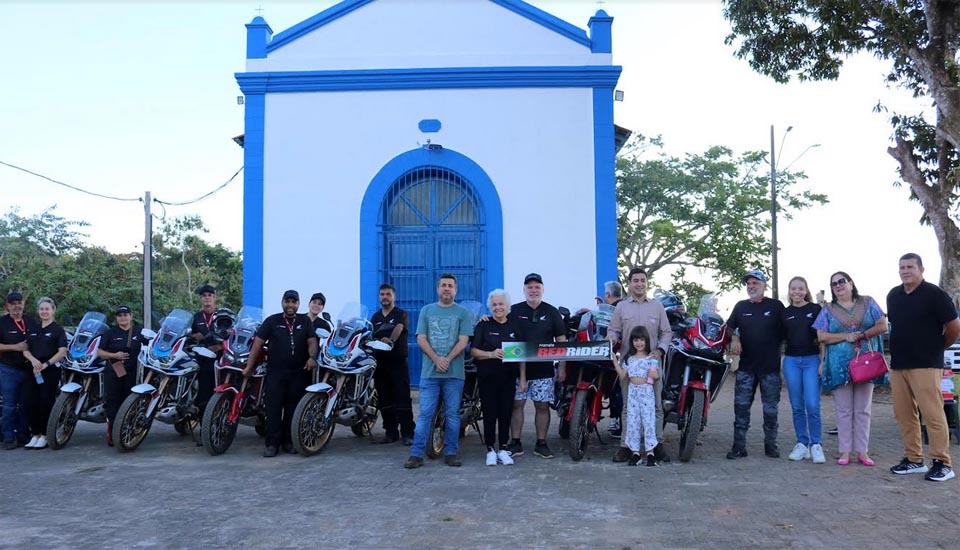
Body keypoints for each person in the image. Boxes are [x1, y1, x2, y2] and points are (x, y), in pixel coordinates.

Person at [887, 253, 960, 481]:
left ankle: (942, 463)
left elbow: (953, 326)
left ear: (921, 269)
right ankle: (914, 459)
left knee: (933, 414)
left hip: (926, 364)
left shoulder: (935, 294)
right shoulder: (893, 295)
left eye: (910, 267)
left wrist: (938, 347)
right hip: (899, 365)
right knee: (904, 414)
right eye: (902, 267)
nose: (905, 271)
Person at [813, 271, 886, 466]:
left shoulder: (868, 302)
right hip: (839, 365)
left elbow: (882, 325)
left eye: (842, 281)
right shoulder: (828, 309)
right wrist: (845, 337)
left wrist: (862, 335)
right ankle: (845, 451)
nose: (838, 285)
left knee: (863, 409)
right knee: (843, 409)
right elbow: (821, 336)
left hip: (866, 363)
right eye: (834, 283)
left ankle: (863, 451)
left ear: (851, 283)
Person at [404, 274, 473, 469]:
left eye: (450, 286)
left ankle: (451, 453)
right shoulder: (427, 310)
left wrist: (447, 360)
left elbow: (463, 341)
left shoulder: (462, 313)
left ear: (455, 290)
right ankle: (416, 455)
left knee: (452, 415)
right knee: (425, 414)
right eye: (443, 285)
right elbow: (421, 339)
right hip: (429, 374)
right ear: (437, 289)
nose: (446, 289)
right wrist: (437, 359)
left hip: (454, 374)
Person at [608, 267, 672, 463]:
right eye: (635, 280)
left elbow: (667, 333)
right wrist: (610, 341)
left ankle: (656, 445)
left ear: (647, 283)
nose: (639, 284)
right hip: (630, 364)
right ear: (630, 283)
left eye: (642, 280)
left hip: (652, 364)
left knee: (656, 406)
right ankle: (627, 447)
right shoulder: (621, 307)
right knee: (628, 407)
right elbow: (613, 330)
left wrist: (660, 350)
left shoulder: (657, 307)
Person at [244, 290, 318, 457]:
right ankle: (272, 445)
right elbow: (257, 343)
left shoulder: (304, 321)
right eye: (287, 301)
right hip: (275, 373)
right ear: (282, 302)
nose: (290, 305)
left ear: (298, 303)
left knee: (293, 409)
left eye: (294, 302)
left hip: (299, 373)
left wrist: (312, 357)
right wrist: (249, 366)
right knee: (273, 409)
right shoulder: (272, 321)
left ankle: (289, 442)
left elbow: (312, 341)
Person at [506, 273, 566, 460]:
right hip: (516, 370)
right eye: (530, 287)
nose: (533, 290)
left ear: (542, 289)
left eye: (537, 287)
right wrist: (485, 317)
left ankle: (541, 443)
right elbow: (498, 322)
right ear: (524, 290)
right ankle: (515, 442)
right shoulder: (513, 310)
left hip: (544, 370)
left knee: (542, 406)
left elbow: (561, 340)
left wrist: (562, 367)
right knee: (517, 405)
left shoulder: (552, 312)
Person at [726, 270, 785, 459]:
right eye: (749, 283)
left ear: (764, 286)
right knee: (741, 409)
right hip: (746, 368)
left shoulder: (776, 306)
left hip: (770, 369)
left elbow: (789, 329)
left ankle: (771, 445)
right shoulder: (741, 306)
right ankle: (739, 447)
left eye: (756, 283)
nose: (751, 286)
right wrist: (735, 337)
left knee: (770, 410)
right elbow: (728, 328)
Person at [470, 289, 522, 466]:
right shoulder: (483, 325)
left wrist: (522, 378)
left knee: (506, 413)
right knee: (490, 413)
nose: (498, 307)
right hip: (487, 378)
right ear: (490, 307)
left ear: (507, 306)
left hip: (508, 378)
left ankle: (504, 448)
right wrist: (491, 354)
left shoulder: (515, 326)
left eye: (501, 304)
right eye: (494, 305)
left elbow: (521, 354)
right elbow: (474, 351)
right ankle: (490, 449)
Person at [782, 276, 825, 463]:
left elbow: (823, 338)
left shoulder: (816, 310)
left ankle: (816, 444)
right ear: (789, 291)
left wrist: (823, 362)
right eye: (793, 289)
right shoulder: (784, 313)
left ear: (806, 290)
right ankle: (802, 443)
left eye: (800, 288)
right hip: (791, 361)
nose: (797, 292)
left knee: (812, 404)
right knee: (797, 405)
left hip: (812, 360)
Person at [370, 283, 415, 445]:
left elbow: (398, 328)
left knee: (402, 398)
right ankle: (390, 432)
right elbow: (369, 335)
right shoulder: (375, 317)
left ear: (394, 296)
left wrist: (390, 340)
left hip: (397, 361)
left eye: (388, 294)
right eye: (382, 294)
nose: (385, 297)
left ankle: (408, 433)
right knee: (385, 400)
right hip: (380, 364)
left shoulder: (401, 314)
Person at [21, 297, 68, 450]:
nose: (44, 311)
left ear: (53, 311)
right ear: (38, 311)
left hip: (50, 370)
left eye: (47, 309)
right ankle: (35, 434)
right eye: (42, 309)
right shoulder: (33, 329)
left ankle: (45, 435)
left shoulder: (58, 330)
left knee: (45, 403)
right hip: (33, 370)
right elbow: (25, 349)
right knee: (30, 402)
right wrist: (34, 361)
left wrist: (46, 364)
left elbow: (62, 352)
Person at [98, 305, 144, 447]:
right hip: (113, 371)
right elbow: (99, 352)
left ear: (131, 316)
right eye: (120, 315)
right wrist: (114, 355)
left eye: (125, 314)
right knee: (113, 403)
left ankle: (128, 432)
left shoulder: (139, 332)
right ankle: (113, 435)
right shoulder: (110, 333)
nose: (123, 317)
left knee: (129, 403)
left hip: (132, 373)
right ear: (116, 318)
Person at [614, 325, 659, 467]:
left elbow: (655, 375)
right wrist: (614, 360)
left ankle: (650, 452)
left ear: (646, 340)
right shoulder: (629, 359)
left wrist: (654, 375)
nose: (639, 343)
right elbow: (622, 375)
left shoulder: (651, 358)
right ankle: (635, 453)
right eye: (635, 340)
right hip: (633, 392)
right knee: (633, 421)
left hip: (646, 392)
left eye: (641, 340)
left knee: (648, 420)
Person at [0, 292, 38, 449]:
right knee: (9, 405)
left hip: (28, 370)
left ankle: (23, 435)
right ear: (8, 306)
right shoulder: (2, 323)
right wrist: (15, 347)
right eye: (13, 303)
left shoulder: (30, 321)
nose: (16, 306)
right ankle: (8, 437)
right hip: (8, 370)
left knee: (25, 404)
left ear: (23, 304)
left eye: (19, 302)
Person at [190, 284, 221, 426]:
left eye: (210, 295)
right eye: (204, 296)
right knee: (203, 392)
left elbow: (231, 335)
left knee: (218, 391)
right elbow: (189, 334)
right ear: (200, 299)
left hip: (218, 359)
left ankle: (218, 424)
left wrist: (220, 346)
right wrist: (194, 336)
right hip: (201, 359)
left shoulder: (223, 315)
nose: (207, 298)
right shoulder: (196, 317)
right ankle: (204, 426)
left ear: (215, 298)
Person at [599, 280, 626, 438]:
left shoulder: (612, 310)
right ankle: (618, 421)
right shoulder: (626, 307)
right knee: (620, 389)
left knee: (618, 389)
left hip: (612, 355)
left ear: (608, 294)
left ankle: (617, 420)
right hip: (623, 354)